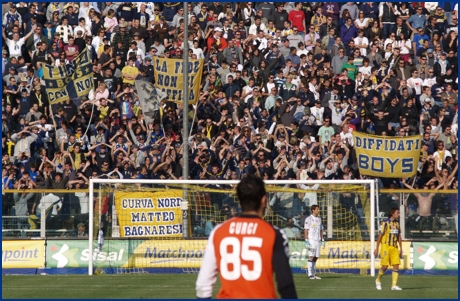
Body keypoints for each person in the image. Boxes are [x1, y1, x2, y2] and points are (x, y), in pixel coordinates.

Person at [196, 174, 297, 299]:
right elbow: (285, 284)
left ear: (239, 200)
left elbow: (203, 285)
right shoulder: (274, 234)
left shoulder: (219, 232)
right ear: (264, 200)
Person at [374, 207, 402, 291]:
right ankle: (378, 280)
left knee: (396, 266)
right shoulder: (385, 223)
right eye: (397, 212)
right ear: (392, 213)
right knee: (385, 266)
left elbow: (399, 236)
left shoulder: (397, 224)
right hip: (385, 246)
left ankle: (394, 285)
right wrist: (377, 248)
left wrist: (401, 248)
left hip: (394, 247)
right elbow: (380, 236)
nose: (399, 214)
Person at [304, 204, 325, 280]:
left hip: (318, 240)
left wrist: (322, 240)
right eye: (317, 209)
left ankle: (313, 273)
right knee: (311, 256)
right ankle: (310, 274)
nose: (318, 210)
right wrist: (306, 241)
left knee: (316, 257)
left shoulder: (319, 219)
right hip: (311, 240)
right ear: (313, 210)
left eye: (319, 209)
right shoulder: (308, 219)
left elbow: (321, 230)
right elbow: (306, 230)